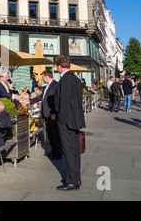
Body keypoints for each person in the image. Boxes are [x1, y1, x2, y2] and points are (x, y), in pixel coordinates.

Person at [54, 55, 85, 191]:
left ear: (60, 66)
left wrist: (60, 118)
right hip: (74, 119)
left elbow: (64, 102)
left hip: (67, 120)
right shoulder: (75, 78)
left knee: (69, 151)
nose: (56, 68)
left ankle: (72, 181)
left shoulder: (66, 79)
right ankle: (75, 177)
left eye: (57, 66)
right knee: (74, 150)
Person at [25, 70, 62, 160]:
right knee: (50, 134)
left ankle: (58, 152)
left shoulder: (56, 85)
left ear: (46, 76)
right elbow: (41, 97)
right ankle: (53, 150)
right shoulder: (46, 87)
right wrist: (30, 101)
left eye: (42, 77)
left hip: (52, 114)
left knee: (55, 134)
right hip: (46, 114)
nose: (42, 79)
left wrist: (54, 113)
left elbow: (57, 101)